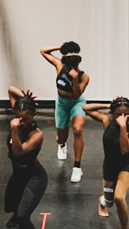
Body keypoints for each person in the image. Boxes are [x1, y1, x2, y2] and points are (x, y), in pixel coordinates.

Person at [84, 97, 129, 229]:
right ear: (112, 113)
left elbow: (124, 150)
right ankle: (102, 202)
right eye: (118, 114)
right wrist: (107, 105)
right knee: (109, 201)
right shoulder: (106, 120)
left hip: (125, 166)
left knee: (119, 198)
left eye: (126, 114)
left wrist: (122, 127)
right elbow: (86, 108)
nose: (122, 117)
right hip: (109, 167)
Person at [5, 86, 47, 229]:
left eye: (26, 119)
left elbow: (18, 152)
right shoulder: (20, 115)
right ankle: (16, 210)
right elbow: (10, 89)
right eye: (19, 118)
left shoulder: (36, 134)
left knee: (23, 216)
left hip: (34, 176)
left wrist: (14, 128)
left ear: (33, 116)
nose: (22, 122)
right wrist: (25, 98)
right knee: (9, 206)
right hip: (18, 175)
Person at [40, 41, 90, 182]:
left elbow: (75, 95)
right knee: (61, 137)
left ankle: (77, 168)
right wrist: (60, 48)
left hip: (77, 103)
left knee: (77, 129)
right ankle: (62, 145)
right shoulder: (59, 66)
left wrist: (74, 79)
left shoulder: (84, 77)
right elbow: (43, 50)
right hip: (62, 105)